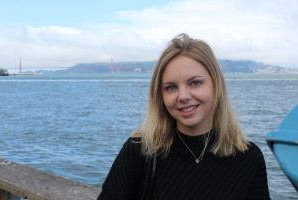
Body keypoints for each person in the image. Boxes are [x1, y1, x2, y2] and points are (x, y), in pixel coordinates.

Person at [97, 33, 271, 200]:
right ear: (160, 95)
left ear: (216, 85)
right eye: (171, 87)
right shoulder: (140, 151)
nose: (183, 96)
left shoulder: (248, 158)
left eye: (195, 83)